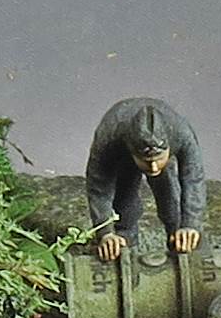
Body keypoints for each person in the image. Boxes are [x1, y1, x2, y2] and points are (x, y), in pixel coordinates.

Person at [85, 97, 206, 262]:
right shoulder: (109, 136)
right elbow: (99, 186)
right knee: (124, 204)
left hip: (158, 155)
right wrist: (105, 232)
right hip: (122, 157)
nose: (154, 167)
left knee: (172, 201)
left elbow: (193, 179)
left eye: (158, 159)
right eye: (147, 161)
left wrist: (191, 225)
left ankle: (182, 247)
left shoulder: (182, 134)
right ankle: (123, 248)